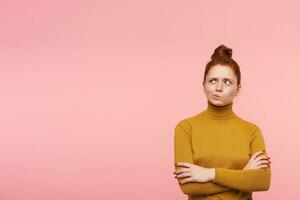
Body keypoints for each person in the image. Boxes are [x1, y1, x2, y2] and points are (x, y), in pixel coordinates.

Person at [173, 44, 271, 200]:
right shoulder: (185, 128)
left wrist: (209, 174)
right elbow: (188, 186)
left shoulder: (252, 131)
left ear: (238, 89)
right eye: (212, 81)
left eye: (227, 82)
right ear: (203, 84)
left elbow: (262, 181)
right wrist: (244, 176)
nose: (218, 88)